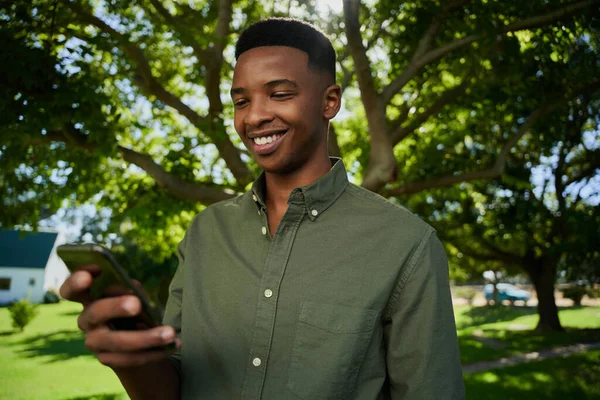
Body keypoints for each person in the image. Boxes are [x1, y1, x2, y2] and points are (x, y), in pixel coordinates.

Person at [60, 18, 465, 400]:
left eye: (280, 94)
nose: (254, 117)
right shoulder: (204, 233)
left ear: (330, 101)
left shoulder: (406, 245)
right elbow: (174, 387)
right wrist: (134, 361)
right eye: (241, 101)